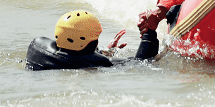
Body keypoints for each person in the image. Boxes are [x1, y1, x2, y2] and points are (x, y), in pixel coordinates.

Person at [26, 10, 159, 70]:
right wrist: (149, 33)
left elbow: (73, 52)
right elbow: (143, 63)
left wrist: (100, 51)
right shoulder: (99, 62)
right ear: (90, 43)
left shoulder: (37, 46)